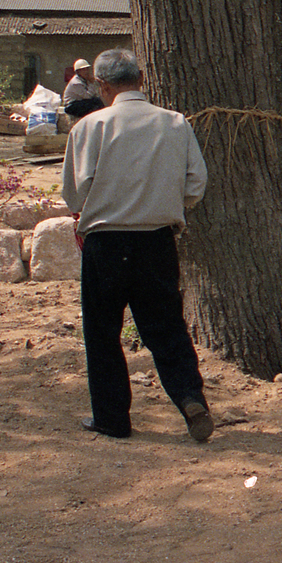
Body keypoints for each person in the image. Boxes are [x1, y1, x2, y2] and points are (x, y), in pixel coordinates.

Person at [60, 49, 214, 443]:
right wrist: (169, 205)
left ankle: (111, 417)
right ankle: (189, 397)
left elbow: (74, 193)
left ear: (103, 86)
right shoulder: (175, 124)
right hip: (156, 239)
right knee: (166, 327)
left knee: (103, 331)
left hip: (105, 241)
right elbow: (196, 181)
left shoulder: (90, 127)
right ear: (142, 79)